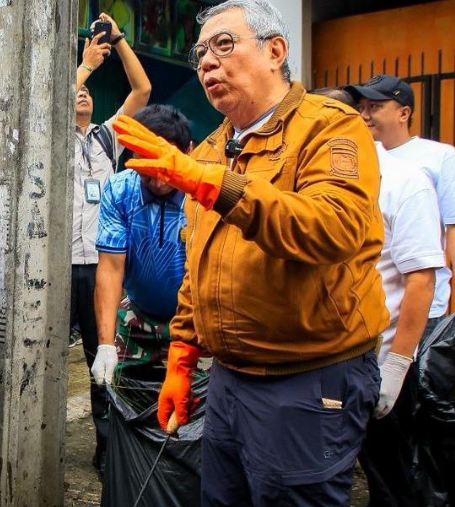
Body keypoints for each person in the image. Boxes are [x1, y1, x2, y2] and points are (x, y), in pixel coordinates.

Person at [114, 1, 388, 504]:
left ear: (275, 51)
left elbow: (335, 228)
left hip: (307, 378)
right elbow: (199, 265)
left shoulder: (329, 126)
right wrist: (182, 354)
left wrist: (209, 183)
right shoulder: (211, 149)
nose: (206, 62)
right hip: (228, 378)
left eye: (223, 44)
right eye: (200, 53)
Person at [316, 86, 446, 505]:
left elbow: (421, 279)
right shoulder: (308, 180)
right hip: (316, 362)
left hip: (377, 360)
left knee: (390, 479)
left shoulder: (404, 182)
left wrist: (396, 367)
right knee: (319, 475)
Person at [346, 74, 455, 329]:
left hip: (417, 301)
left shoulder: (438, 157)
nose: (365, 115)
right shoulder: (354, 157)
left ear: (404, 113)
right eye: (361, 108)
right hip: (361, 301)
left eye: (375, 106)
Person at [73, 11, 151, 473]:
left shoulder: (106, 137)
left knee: (101, 357)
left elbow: (142, 91)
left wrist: (119, 41)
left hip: (98, 266)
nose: (81, 93)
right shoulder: (50, 135)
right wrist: (85, 66)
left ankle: (106, 447)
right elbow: (46, 105)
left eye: (86, 90)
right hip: (56, 264)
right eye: (75, 90)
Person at [91, 104, 191, 387]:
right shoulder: (120, 190)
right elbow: (111, 268)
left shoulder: (202, 197)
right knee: (121, 394)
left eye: (164, 167)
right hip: (137, 316)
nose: (157, 182)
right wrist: (105, 345)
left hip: (192, 324)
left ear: (188, 152)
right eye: (146, 169)